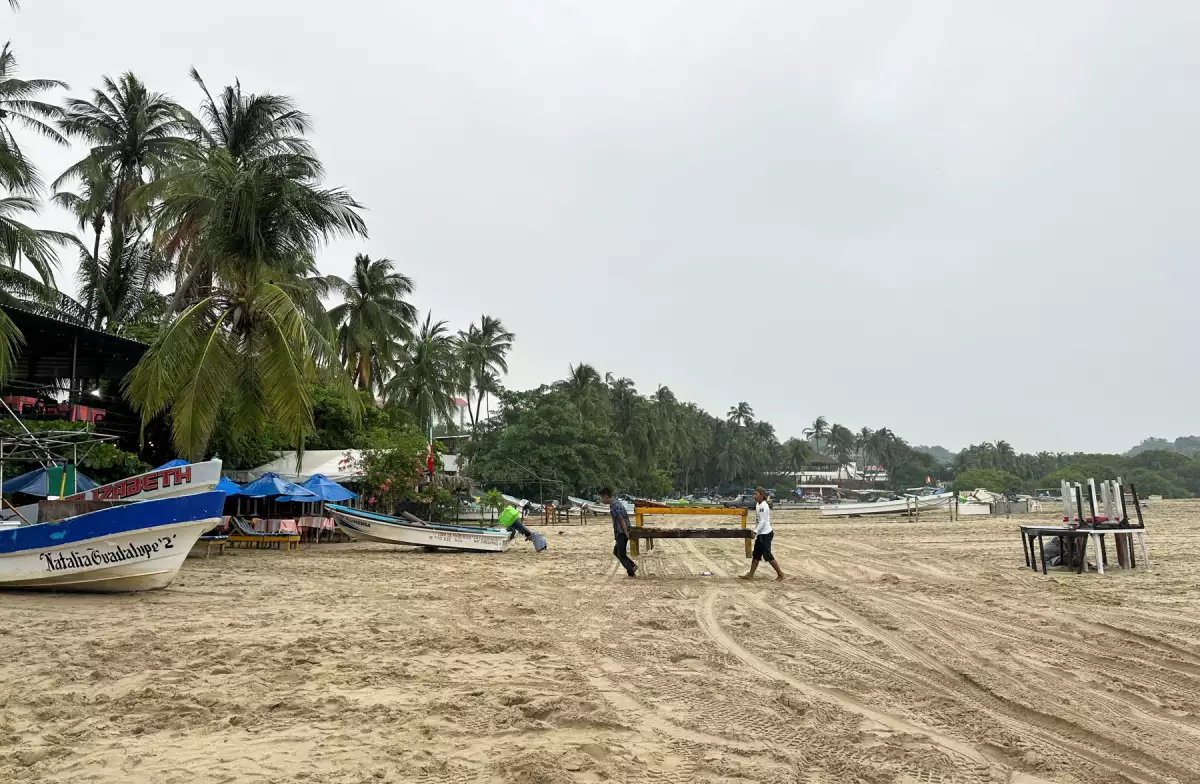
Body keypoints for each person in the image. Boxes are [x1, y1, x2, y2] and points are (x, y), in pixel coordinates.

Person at [741, 486, 784, 581]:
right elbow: (759, 521)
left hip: (766, 534)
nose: (754, 496)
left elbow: (763, 521)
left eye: (756, 494)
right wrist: (756, 531)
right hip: (761, 533)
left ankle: (780, 574)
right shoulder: (758, 504)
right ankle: (750, 574)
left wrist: (755, 532)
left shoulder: (763, 506)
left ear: (761, 495)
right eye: (754, 494)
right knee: (756, 554)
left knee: (767, 555)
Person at [599, 487, 637, 577]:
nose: (601, 500)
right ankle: (631, 567)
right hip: (621, 531)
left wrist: (625, 531)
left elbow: (620, 519)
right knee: (617, 551)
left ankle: (631, 569)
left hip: (622, 532)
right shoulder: (615, 504)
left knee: (620, 553)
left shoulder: (614, 505)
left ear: (606, 497)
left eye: (602, 497)